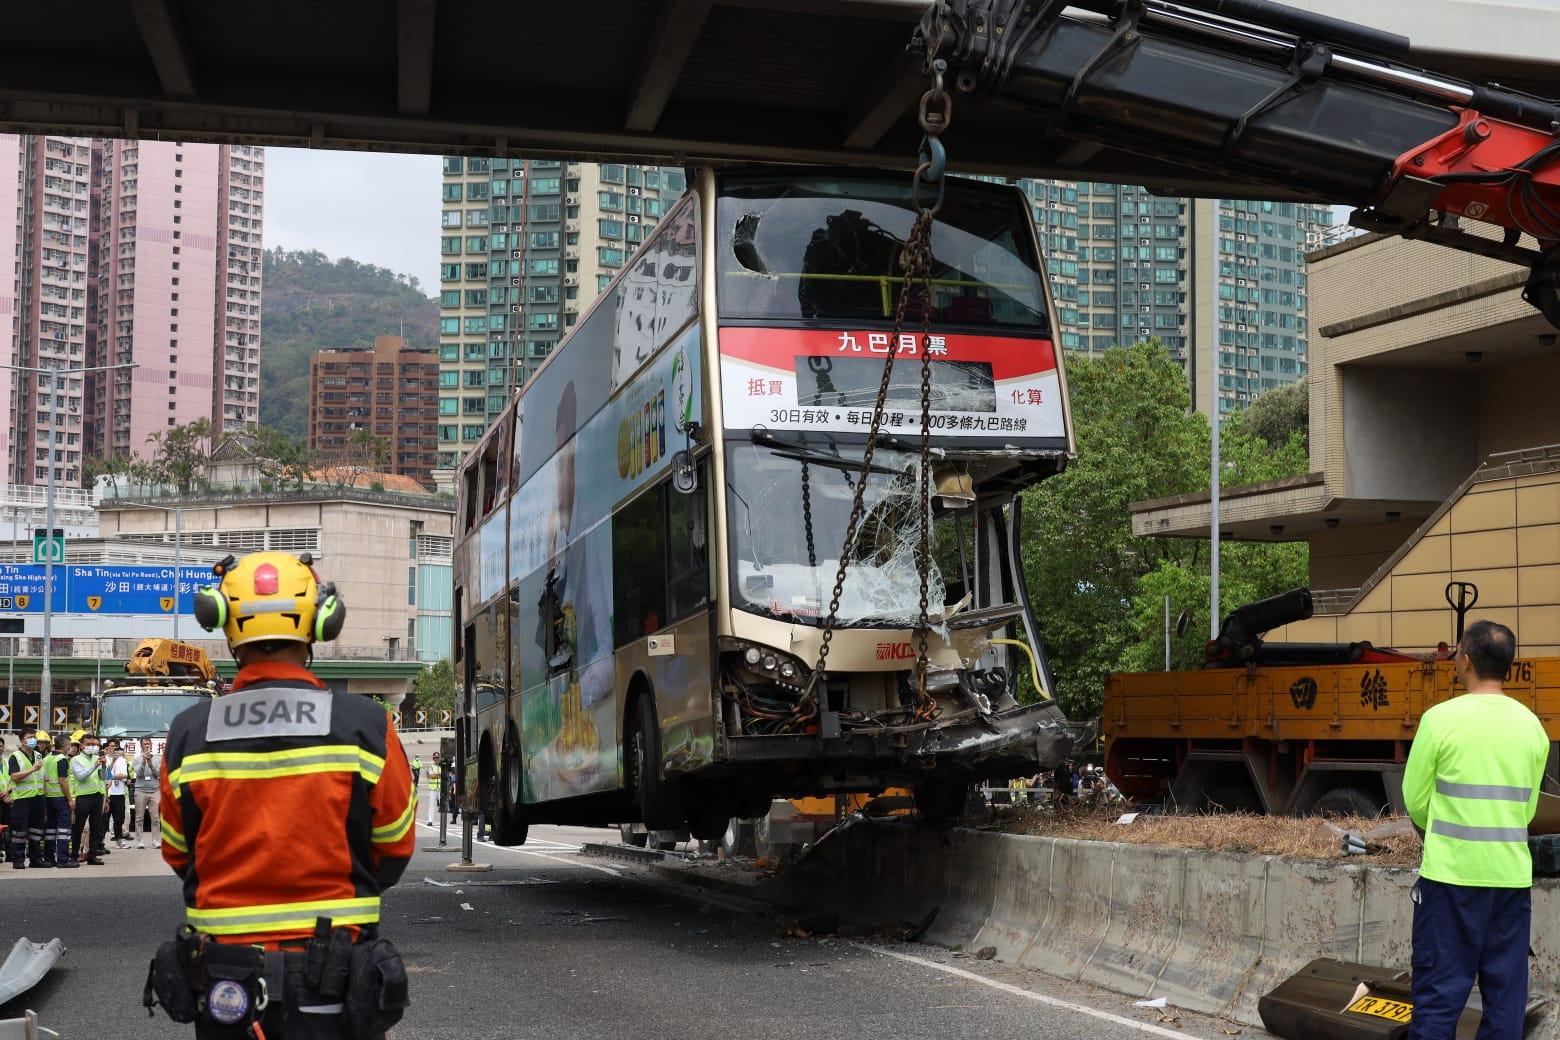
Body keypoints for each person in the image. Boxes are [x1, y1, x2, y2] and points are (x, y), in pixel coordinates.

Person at [149, 551, 414, 1038]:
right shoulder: (367, 726)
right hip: (334, 984)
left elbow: (178, 853)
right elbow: (394, 846)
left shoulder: (188, 734)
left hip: (227, 986)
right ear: (322, 621)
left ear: (222, 621)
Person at [1402, 620, 1549, 1040]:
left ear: (1464, 659)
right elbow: (1528, 809)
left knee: (1438, 1000)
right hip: (1510, 882)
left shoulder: (1440, 719)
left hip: (1450, 882)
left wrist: (1448, 830)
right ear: (1508, 664)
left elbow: (1415, 799)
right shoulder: (1532, 727)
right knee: (1505, 1004)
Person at [7, 729, 47, 867]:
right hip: (22, 799)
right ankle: (18, 860)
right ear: (22, 740)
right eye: (30, 737)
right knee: (19, 830)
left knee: (36, 830)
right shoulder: (15, 756)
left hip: (38, 798)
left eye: (34, 737)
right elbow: (14, 776)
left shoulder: (38, 755)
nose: (33, 740)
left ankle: (36, 859)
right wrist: (32, 769)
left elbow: (40, 775)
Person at [38, 731, 77, 868]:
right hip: (60, 799)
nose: (70, 748)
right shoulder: (62, 759)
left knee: (50, 830)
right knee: (63, 830)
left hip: (48, 798)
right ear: (66, 745)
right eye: (69, 745)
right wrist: (70, 799)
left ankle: (49, 858)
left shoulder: (46, 758)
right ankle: (63, 859)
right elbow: (63, 780)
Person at [69, 733, 107, 865]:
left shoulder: (97, 758)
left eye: (95, 745)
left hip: (98, 795)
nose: (93, 747)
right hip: (83, 797)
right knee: (78, 827)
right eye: (89, 744)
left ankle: (92, 855)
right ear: (81, 745)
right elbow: (81, 777)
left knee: (96, 827)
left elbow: (103, 778)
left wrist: (104, 766)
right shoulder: (76, 760)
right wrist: (94, 766)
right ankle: (74, 855)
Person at [130, 736, 160, 848]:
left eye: (148, 743)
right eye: (144, 744)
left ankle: (156, 840)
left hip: (155, 791)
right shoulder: (137, 759)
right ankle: (140, 840)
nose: (147, 745)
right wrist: (144, 761)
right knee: (139, 817)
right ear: (141, 746)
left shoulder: (158, 758)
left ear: (151, 744)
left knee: (156, 818)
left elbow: (158, 774)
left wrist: (150, 763)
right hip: (140, 790)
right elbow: (139, 773)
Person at [105, 739, 130, 848]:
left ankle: (119, 840)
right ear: (107, 747)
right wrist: (113, 762)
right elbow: (103, 775)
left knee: (119, 819)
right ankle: (99, 843)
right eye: (111, 746)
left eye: (115, 746)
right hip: (106, 793)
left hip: (119, 793)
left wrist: (111, 776)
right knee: (103, 819)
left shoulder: (122, 760)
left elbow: (124, 775)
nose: (113, 748)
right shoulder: (103, 759)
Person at [425, 752, 441, 825]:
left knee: (443, 806)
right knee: (432, 805)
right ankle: (430, 820)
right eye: (435, 758)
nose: (436, 759)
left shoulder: (442, 766)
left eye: (437, 758)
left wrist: (436, 775)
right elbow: (431, 776)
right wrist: (439, 775)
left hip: (440, 788)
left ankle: (442, 821)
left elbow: (443, 775)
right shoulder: (431, 766)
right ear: (433, 758)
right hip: (433, 789)